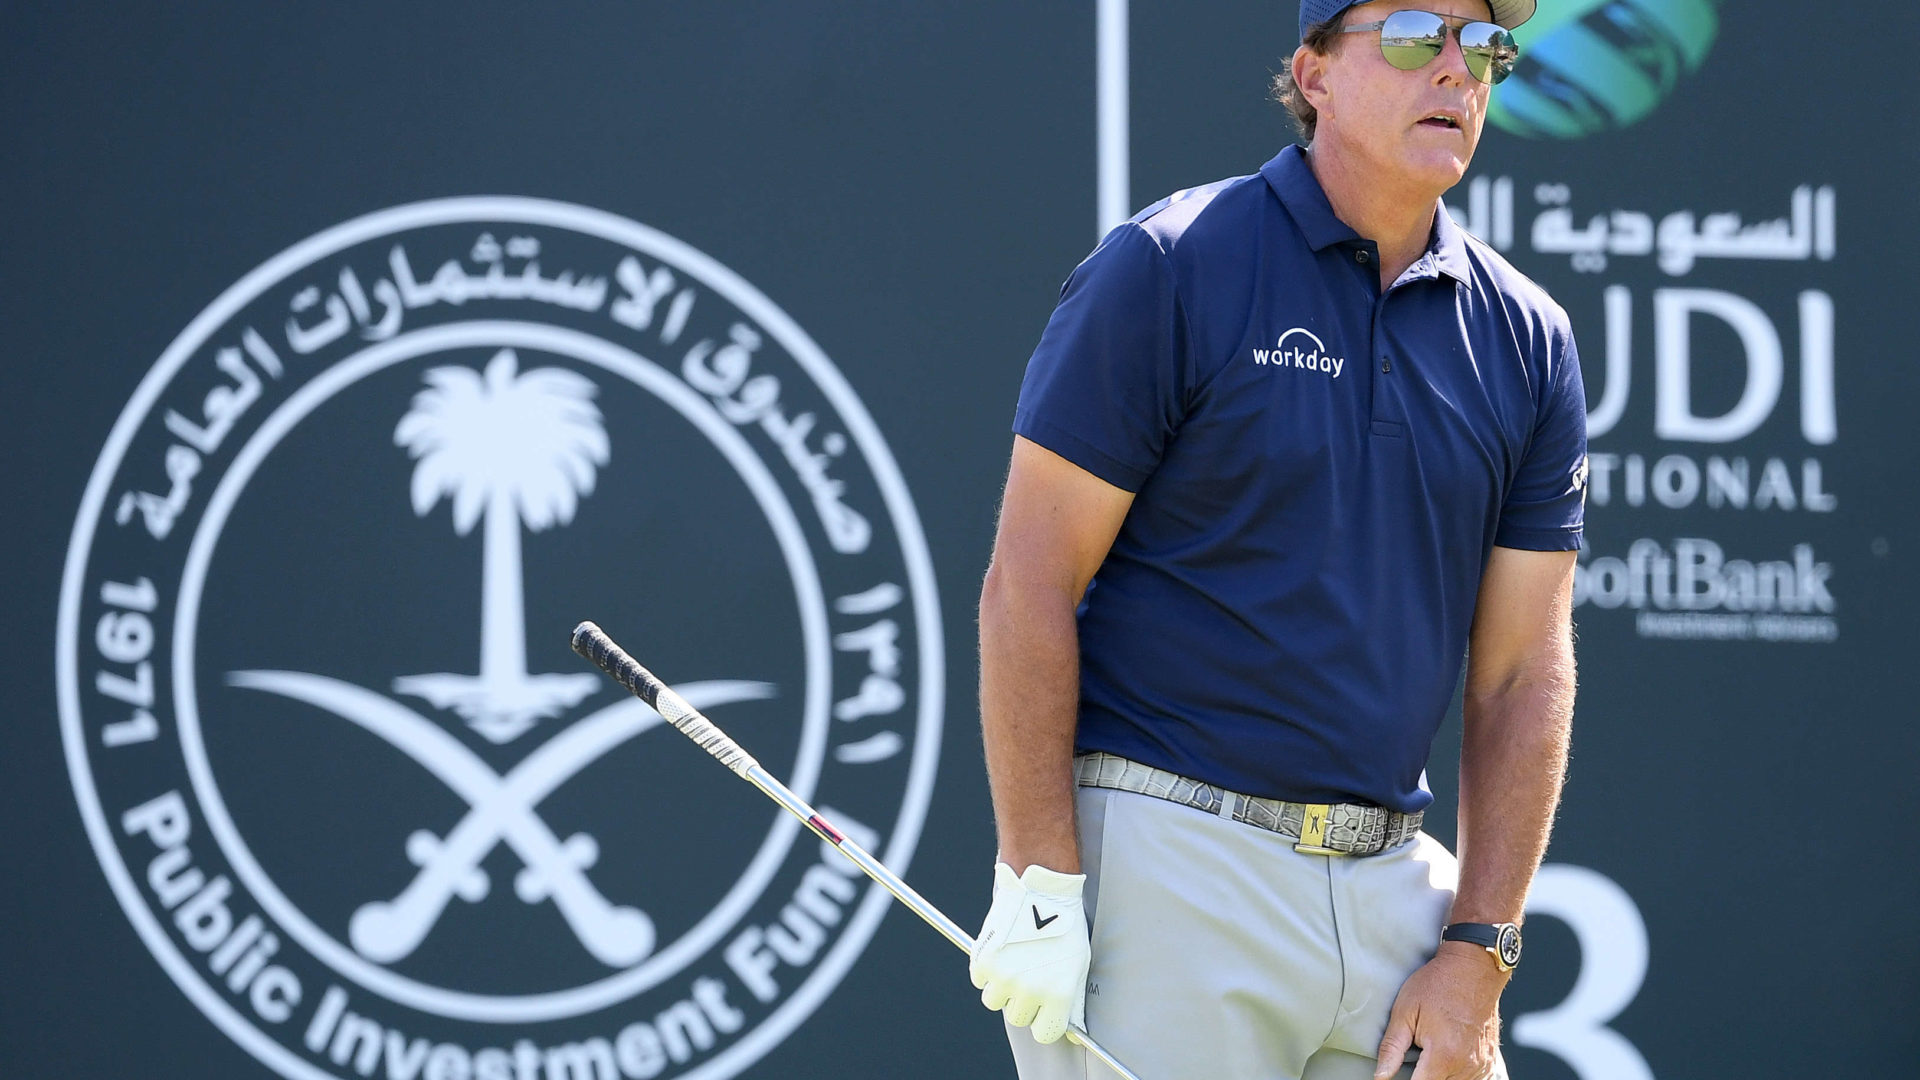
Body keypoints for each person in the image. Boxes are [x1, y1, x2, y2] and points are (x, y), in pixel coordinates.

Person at [968, 1, 1585, 1077]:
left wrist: (1479, 952)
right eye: (1413, 38)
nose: (1456, 71)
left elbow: (1525, 671)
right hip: (1170, 873)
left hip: (1396, 896)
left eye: (1483, 49)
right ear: (1314, 74)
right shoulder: (1170, 265)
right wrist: (1040, 884)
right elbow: (1028, 581)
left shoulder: (1526, 336)